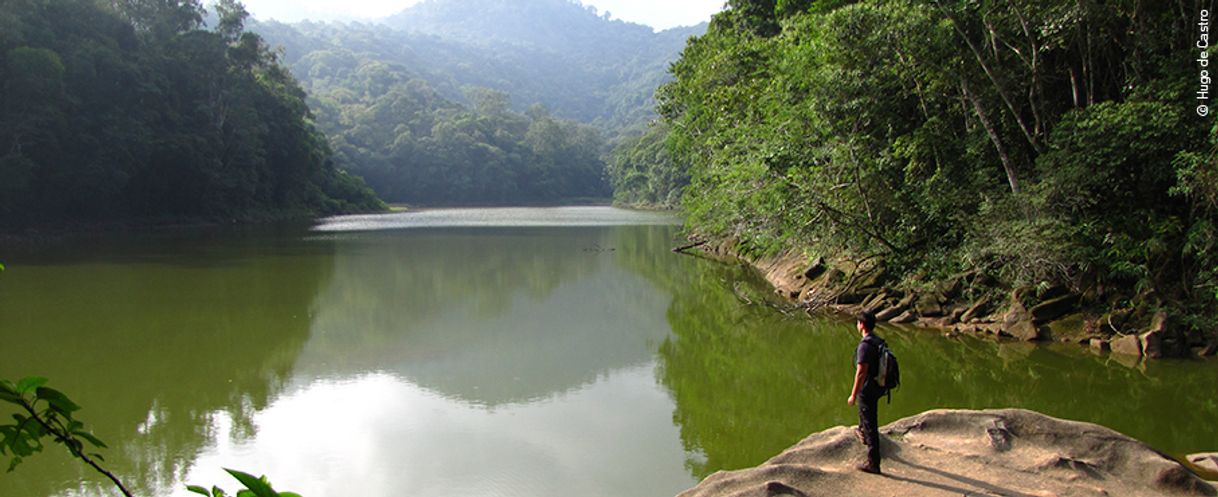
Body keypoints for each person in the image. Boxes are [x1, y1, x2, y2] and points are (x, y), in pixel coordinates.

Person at [847, 310, 883, 474]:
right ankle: (862, 431)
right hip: (878, 385)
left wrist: (853, 394)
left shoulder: (865, 345)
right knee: (867, 417)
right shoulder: (878, 340)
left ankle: (873, 463)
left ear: (861, 325)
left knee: (870, 423)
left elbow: (861, 372)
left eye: (857, 323)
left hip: (868, 388)